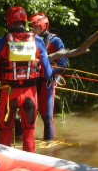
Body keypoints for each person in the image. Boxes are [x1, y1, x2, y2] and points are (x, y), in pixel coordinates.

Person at [0, 6, 53, 153]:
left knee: (5, 133)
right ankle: (30, 170)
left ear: (8, 22)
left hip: (8, 92)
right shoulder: (37, 41)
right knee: (29, 134)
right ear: (25, 21)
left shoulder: (1, 42)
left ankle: (2, 170)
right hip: (30, 93)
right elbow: (47, 72)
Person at [29, 12, 68, 140]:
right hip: (32, 81)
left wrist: (50, 71)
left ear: (44, 26)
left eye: (35, 27)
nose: (33, 30)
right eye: (32, 27)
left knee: (46, 115)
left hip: (47, 81)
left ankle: (48, 145)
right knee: (28, 113)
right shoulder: (30, 40)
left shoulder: (55, 41)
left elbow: (63, 65)